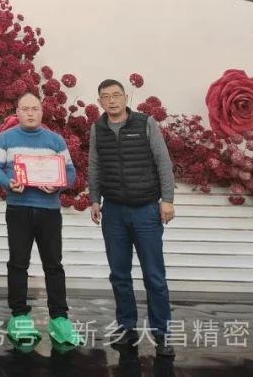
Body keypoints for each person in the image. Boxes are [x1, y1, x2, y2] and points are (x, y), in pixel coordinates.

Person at [88, 79, 176, 358]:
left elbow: (163, 162)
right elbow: (94, 165)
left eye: (116, 95)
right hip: (113, 211)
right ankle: (127, 328)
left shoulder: (145, 123)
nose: (112, 100)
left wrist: (167, 200)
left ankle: (162, 334)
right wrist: (94, 199)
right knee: (119, 275)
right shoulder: (98, 129)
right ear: (100, 101)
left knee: (154, 276)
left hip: (146, 210)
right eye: (106, 97)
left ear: (126, 97)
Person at [0, 92, 82, 348]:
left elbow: (70, 172)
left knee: (54, 265)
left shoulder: (55, 140)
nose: (30, 113)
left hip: (49, 210)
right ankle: (19, 315)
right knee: (18, 263)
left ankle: (59, 318)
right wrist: (8, 182)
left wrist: (58, 185)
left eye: (35, 108)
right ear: (17, 113)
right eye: (25, 109)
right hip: (18, 208)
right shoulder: (6, 138)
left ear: (42, 112)